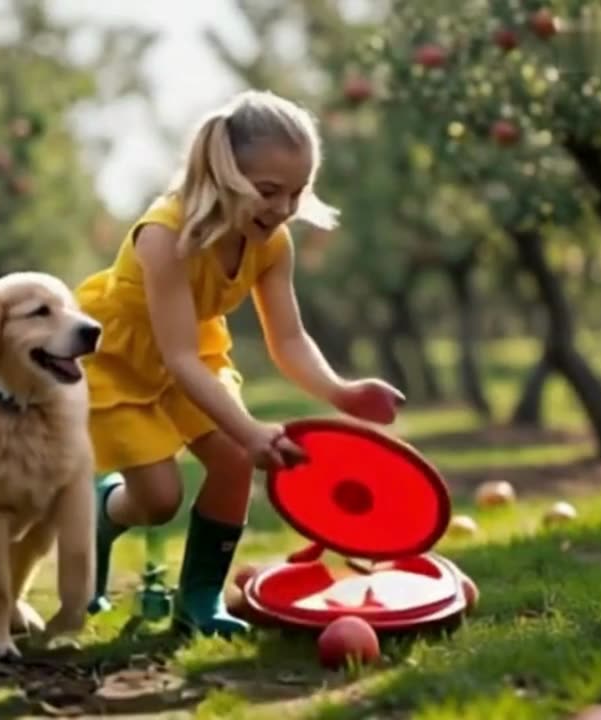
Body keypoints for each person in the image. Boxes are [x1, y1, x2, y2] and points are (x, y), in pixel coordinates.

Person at [75, 89, 404, 637]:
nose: (282, 209)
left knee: (232, 459)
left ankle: (200, 601)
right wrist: (251, 428)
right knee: (158, 500)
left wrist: (339, 391)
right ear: (222, 174)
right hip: (122, 358)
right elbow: (175, 357)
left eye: (297, 193)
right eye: (268, 191)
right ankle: (101, 515)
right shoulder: (165, 236)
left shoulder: (273, 243)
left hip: (192, 350)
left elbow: (290, 339)